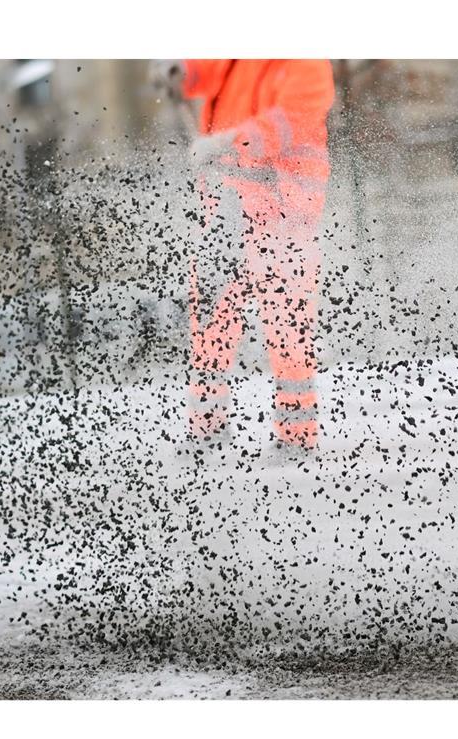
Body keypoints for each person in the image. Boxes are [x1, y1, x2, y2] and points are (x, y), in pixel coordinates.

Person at [163, 59, 334, 451]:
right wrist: (183, 72)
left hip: (282, 208)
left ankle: (296, 435)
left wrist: (229, 141)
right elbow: (212, 70)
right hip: (227, 201)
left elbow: (296, 118)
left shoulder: (307, 60)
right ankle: (206, 427)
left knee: (287, 323)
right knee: (209, 317)